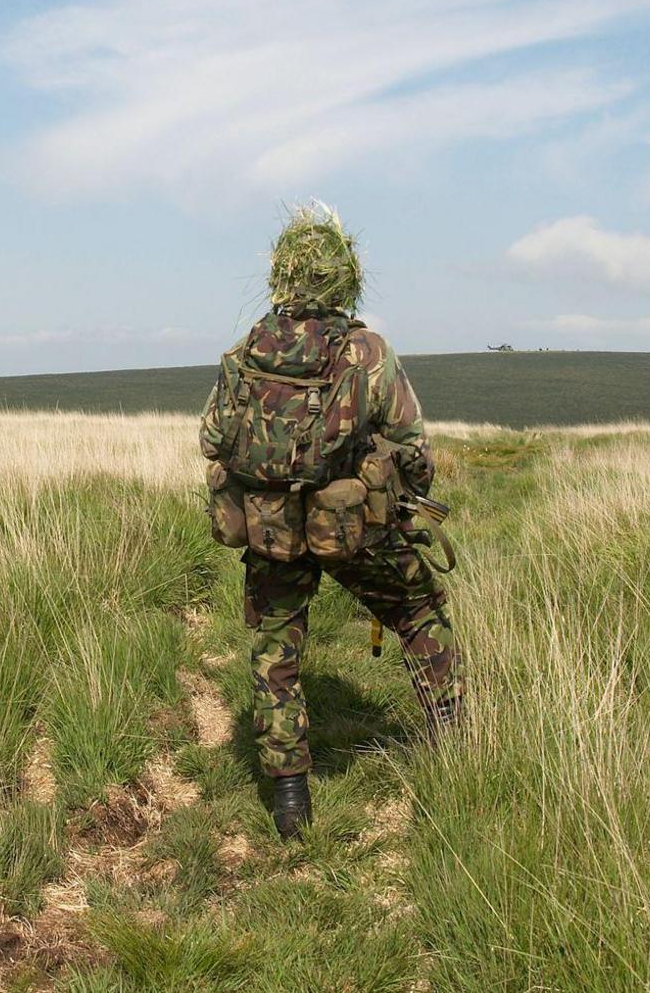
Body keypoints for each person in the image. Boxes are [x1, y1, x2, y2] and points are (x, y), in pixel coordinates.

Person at [199, 204, 461, 840]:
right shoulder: (367, 352)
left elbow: (212, 439)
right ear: (345, 278)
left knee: (275, 653)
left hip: (271, 533)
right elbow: (415, 448)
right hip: (352, 532)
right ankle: (455, 745)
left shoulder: (244, 352)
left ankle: (290, 803)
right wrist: (393, 496)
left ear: (283, 277)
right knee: (421, 609)